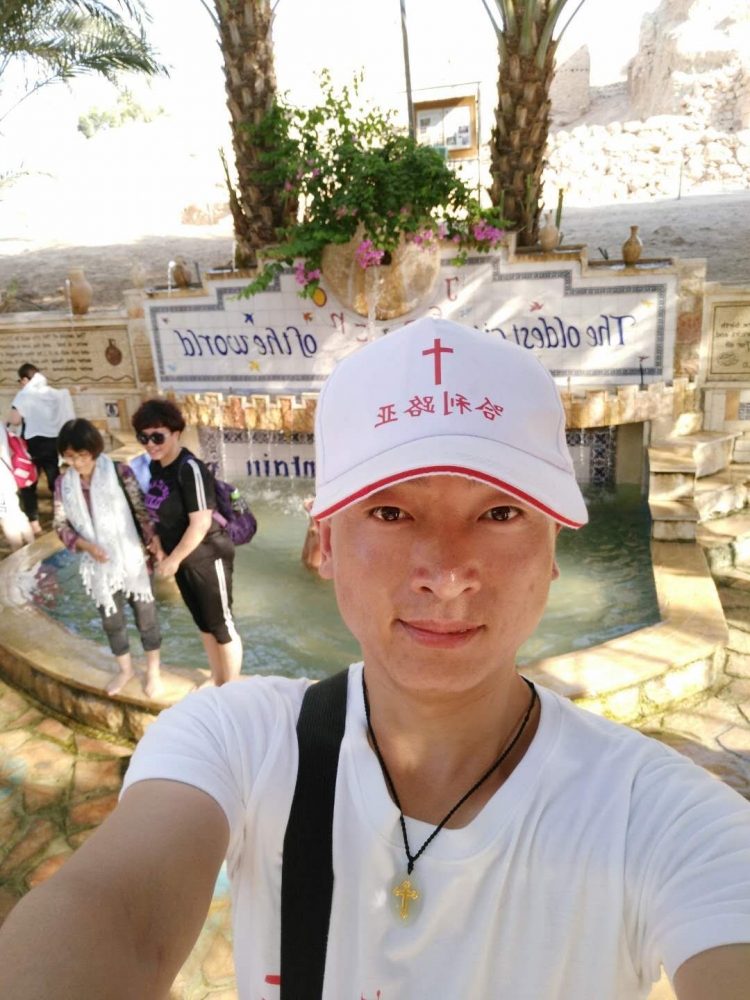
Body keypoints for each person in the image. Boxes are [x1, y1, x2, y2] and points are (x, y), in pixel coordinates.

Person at [1, 318, 749, 999]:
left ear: (553, 545)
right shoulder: (234, 741)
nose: (445, 573)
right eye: (391, 511)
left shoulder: (659, 817)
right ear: (324, 543)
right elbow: (115, 917)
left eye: (500, 512)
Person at [132, 398, 242, 686]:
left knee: (222, 625)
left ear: (176, 433)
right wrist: (158, 543)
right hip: (180, 559)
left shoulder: (190, 468)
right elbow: (158, 512)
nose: (150, 444)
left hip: (208, 555)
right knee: (203, 623)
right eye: (144, 437)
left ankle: (231, 689)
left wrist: (173, 559)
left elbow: (201, 522)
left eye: (157, 437)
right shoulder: (157, 466)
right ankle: (217, 678)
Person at [53, 418, 162, 698]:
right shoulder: (64, 484)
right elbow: (60, 524)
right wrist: (85, 545)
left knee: (146, 618)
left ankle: (153, 671)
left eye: (82, 455)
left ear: (94, 450)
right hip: (98, 566)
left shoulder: (119, 472)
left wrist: (155, 545)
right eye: (69, 456)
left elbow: (142, 511)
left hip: (133, 558)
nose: (76, 463)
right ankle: (125, 670)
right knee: (112, 621)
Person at [9, 362, 75, 535]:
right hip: (52, 442)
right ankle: (63, 516)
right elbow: (66, 394)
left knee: (29, 483)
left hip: (32, 445)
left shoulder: (24, 394)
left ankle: (34, 523)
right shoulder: (50, 392)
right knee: (55, 481)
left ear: (25, 379)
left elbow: (15, 420)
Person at [0, 422, 34, 552]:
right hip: (5, 476)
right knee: (16, 514)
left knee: (6, 518)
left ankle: (19, 552)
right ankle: (32, 548)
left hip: (2, 481)